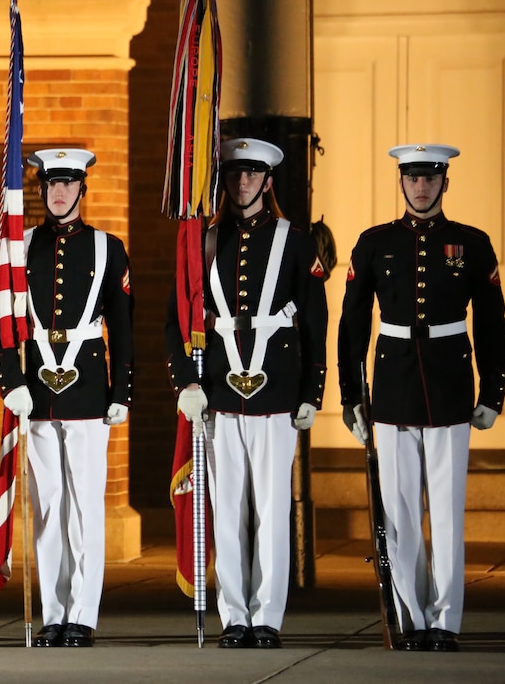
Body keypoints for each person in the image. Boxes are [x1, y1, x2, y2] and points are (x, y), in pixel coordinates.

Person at [338, 144, 505, 653]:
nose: (421, 187)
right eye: (412, 177)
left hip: (451, 384)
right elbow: (352, 326)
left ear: (445, 183)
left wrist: (493, 388)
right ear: (401, 182)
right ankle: (409, 618)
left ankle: (446, 621)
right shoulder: (374, 243)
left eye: (430, 178)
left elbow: (493, 322)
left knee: (449, 512)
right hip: (391, 387)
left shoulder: (471, 243)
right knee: (400, 511)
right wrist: (351, 397)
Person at [165, 138, 328, 649]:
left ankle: (268, 618)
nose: (242, 184)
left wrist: (312, 390)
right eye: (234, 175)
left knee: (271, 509)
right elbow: (178, 319)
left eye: (252, 174)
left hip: (276, 390)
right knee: (227, 509)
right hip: (218, 392)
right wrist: (185, 381)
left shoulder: (296, 242)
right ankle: (233, 616)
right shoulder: (202, 241)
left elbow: (316, 322)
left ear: (268, 181)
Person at [0, 148, 133, 648]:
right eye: (51, 183)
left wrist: (123, 391)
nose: (59, 192)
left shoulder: (108, 247)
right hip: (37, 397)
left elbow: (123, 325)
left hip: (90, 391)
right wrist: (11, 385)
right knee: (48, 506)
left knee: (84, 507)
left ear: (83, 189)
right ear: (41, 189)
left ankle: (83, 614)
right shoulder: (17, 247)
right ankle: (54, 613)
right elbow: (1, 326)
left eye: (69, 183)